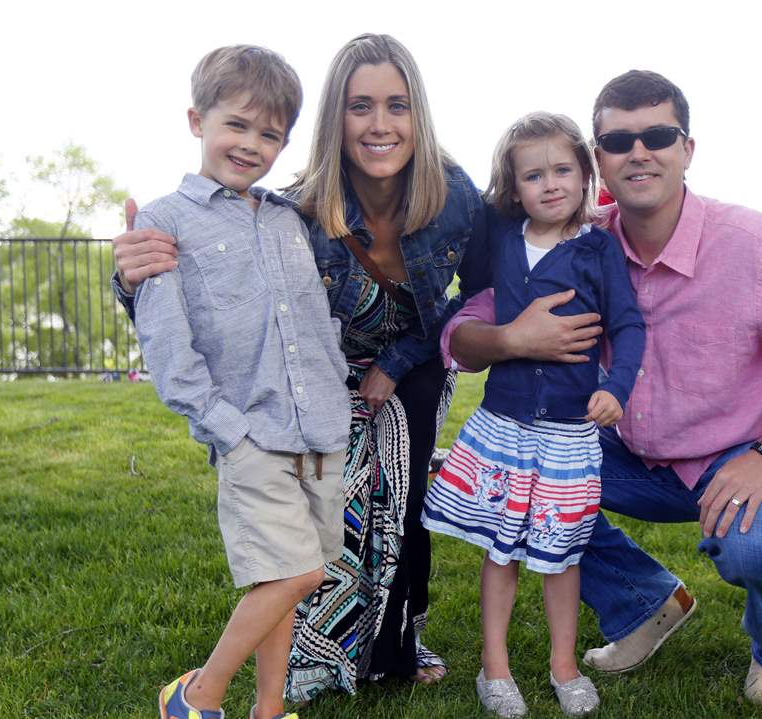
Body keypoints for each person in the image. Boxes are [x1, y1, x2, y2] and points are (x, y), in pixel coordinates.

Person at [443, 70, 762, 707]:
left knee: (755, 545)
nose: (639, 152)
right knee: (511, 483)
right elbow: (468, 321)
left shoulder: (756, 249)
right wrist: (510, 340)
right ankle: (644, 602)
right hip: (633, 452)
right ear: (597, 160)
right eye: (618, 141)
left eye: (658, 136)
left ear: (687, 149)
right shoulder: (578, 240)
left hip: (754, 451)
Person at [112, 34, 489, 703]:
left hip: (413, 359)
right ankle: (307, 658)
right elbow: (213, 285)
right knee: (328, 532)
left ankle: (396, 645)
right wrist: (128, 276)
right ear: (335, 119)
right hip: (321, 382)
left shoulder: (453, 193)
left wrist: (398, 362)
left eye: (397, 106)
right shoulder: (303, 208)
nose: (380, 124)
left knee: (400, 501)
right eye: (360, 106)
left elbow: (479, 290)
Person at [132, 45, 350, 719]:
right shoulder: (164, 220)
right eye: (237, 124)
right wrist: (228, 431)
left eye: (270, 134)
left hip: (321, 429)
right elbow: (168, 345)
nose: (252, 144)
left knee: (287, 576)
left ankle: (268, 707)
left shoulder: (288, 218)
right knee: (297, 571)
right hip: (250, 431)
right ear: (197, 120)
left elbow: (314, 318)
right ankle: (195, 695)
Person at [421, 112, 645, 718]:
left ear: (586, 174)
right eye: (533, 175)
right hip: (506, 427)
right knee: (501, 551)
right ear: (513, 187)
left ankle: (563, 664)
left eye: (563, 170)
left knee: (561, 555)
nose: (551, 185)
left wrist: (618, 387)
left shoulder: (599, 249)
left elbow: (628, 325)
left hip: (570, 432)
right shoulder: (501, 238)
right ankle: (494, 668)